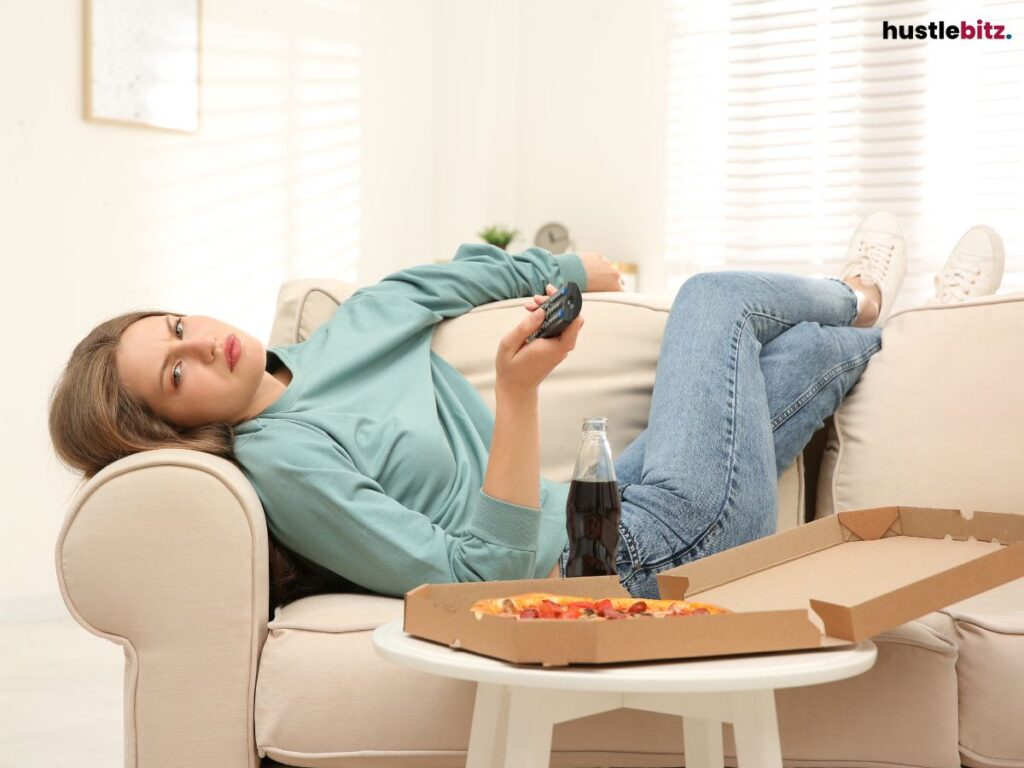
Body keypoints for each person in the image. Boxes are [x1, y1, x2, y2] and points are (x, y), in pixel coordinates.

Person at [48, 214, 1005, 605]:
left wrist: (558, 269)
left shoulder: (348, 329)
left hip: (618, 503)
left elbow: (453, 279)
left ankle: (918, 319)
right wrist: (515, 394)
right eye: (174, 373)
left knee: (797, 358)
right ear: (179, 428)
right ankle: (866, 294)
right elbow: (485, 576)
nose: (198, 342)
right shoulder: (283, 463)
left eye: (176, 322)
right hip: (619, 565)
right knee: (715, 298)